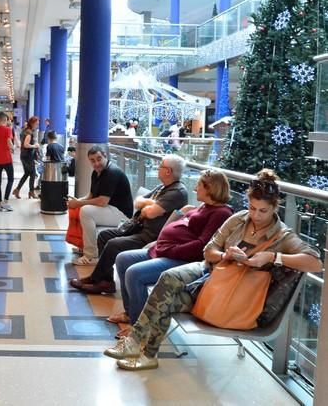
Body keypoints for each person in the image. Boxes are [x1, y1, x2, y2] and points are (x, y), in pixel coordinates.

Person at [104, 169, 323, 371]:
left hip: (237, 293)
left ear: (275, 208)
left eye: (263, 211)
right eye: (253, 208)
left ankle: (144, 350)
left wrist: (273, 257)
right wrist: (224, 255)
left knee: (166, 297)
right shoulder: (239, 219)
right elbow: (209, 250)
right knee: (168, 279)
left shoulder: (282, 235)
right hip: (211, 276)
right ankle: (140, 347)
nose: (256, 215)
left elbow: (315, 263)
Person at [109, 169, 233, 337]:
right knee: (123, 259)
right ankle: (131, 312)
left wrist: (171, 249)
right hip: (164, 250)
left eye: (199, 185)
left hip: (183, 260)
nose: (195, 188)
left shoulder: (221, 213)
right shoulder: (205, 206)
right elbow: (180, 225)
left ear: (209, 188)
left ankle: (139, 328)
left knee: (134, 274)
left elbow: (201, 246)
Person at [71, 154, 188, 290]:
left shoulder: (178, 191)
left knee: (113, 244)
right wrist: (151, 204)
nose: (157, 168)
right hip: (137, 228)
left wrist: (149, 206)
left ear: (168, 171)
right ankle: (105, 280)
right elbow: (137, 201)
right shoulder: (162, 188)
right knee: (104, 236)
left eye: (160, 166)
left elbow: (149, 213)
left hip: (150, 236)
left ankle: (96, 280)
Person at [67, 145, 134, 266]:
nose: (96, 163)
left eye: (99, 159)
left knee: (86, 211)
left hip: (122, 214)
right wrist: (76, 202)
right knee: (80, 208)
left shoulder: (112, 173)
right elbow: (91, 196)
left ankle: (91, 255)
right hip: (110, 208)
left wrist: (79, 203)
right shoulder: (96, 173)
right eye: (92, 160)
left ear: (105, 156)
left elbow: (102, 201)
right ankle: (84, 246)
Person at [13, 116, 40, 199]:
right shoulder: (29, 132)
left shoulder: (25, 130)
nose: (37, 125)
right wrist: (34, 145)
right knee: (32, 173)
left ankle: (17, 190)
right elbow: (26, 144)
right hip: (28, 156)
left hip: (24, 155)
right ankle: (31, 192)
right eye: (36, 124)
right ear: (32, 123)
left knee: (27, 173)